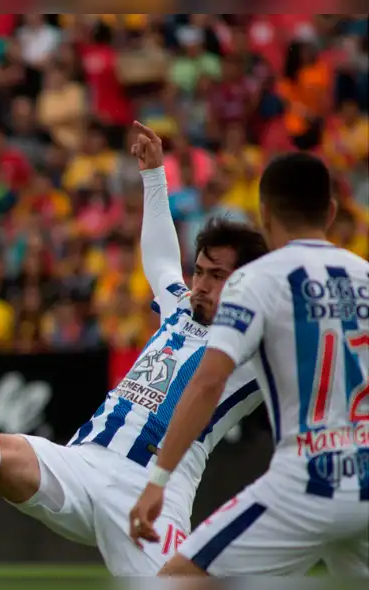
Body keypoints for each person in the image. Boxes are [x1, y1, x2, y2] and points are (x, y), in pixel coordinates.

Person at [0, 122, 270, 575]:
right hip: (81, 463)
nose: (201, 285)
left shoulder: (254, 347)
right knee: (1, 451)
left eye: (217, 276)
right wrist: (153, 177)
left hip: (153, 491)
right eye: (200, 272)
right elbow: (158, 258)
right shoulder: (179, 305)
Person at [129, 152, 369, 576]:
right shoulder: (364, 276)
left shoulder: (254, 281)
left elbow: (206, 384)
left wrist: (158, 480)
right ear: (331, 212)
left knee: (175, 581)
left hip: (305, 480)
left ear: (265, 213)